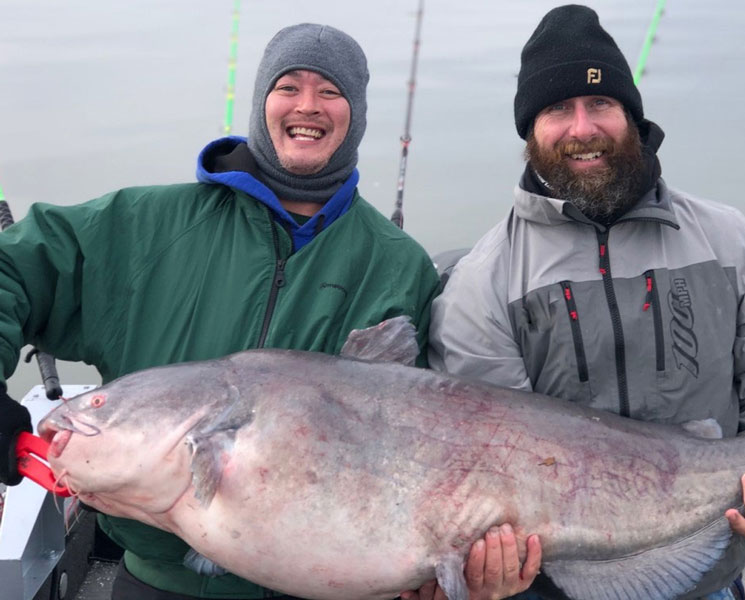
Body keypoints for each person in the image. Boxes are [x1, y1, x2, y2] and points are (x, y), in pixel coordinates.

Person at [0, 23, 440, 600]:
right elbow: (13, 267)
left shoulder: (399, 266)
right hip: (157, 580)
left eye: (330, 92)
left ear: (354, 113)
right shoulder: (147, 227)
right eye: (289, 85)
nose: (308, 105)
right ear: (263, 102)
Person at [426, 5, 745, 600]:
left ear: (630, 116)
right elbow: (486, 465)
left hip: (706, 566)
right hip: (550, 585)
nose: (582, 128)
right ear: (530, 131)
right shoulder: (483, 283)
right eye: (557, 109)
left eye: (600, 103)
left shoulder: (728, 242)